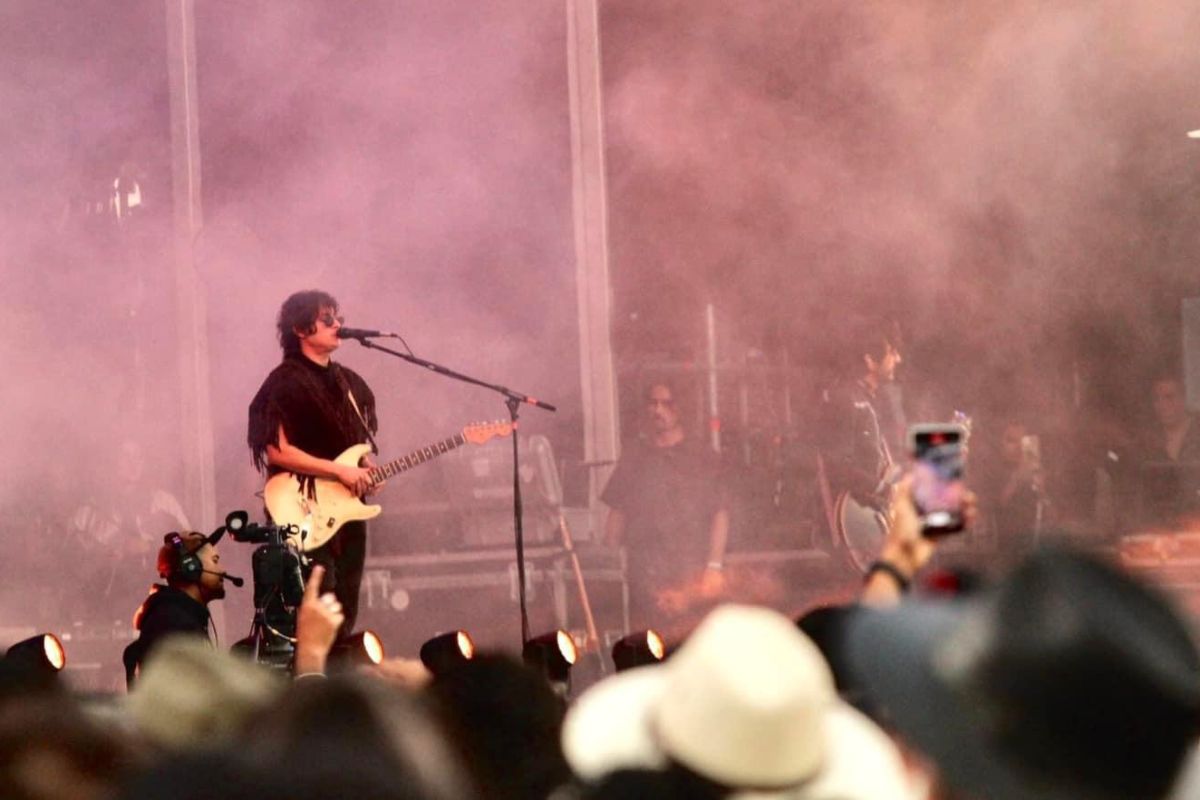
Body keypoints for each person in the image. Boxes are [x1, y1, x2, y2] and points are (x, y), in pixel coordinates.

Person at [247, 290, 379, 635]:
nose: (338, 325)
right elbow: (277, 452)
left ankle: (335, 678)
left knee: (344, 608)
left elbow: (355, 446)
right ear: (301, 330)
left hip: (347, 508)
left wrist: (365, 470)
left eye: (338, 319)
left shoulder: (347, 383)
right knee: (317, 599)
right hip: (302, 506)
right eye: (327, 319)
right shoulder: (284, 382)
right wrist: (338, 470)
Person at [600, 380, 729, 631]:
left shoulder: (702, 455)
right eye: (653, 403)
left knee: (689, 643)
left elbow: (720, 513)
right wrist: (611, 563)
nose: (658, 410)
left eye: (666, 403)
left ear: (680, 408)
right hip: (644, 574)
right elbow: (617, 512)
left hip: (689, 570)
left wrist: (714, 566)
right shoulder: (635, 455)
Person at [123, 531, 229, 684]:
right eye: (215, 561)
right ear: (191, 567)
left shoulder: (174, 615)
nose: (222, 570)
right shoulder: (175, 624)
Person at [1138, 375, 1200, 523]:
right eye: (1156, 399)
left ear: (1183, 399)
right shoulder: (1148, 444)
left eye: (1169, 397)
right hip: (1160, 530)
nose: (1162, 404)